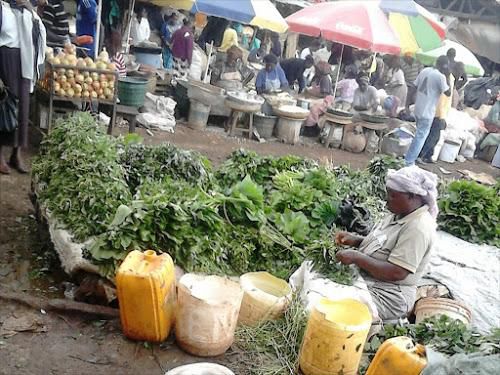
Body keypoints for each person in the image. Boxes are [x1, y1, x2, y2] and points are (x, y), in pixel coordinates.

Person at [336, 166, 438, 321]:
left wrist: (356, 257)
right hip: (369, 280)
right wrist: (355, 240)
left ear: (412, 196)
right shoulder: (398, 214)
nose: (386, 199)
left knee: (336, 304)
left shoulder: (418, 228)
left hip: (389, 294)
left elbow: (397, 272)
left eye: (393, 195)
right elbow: (383, 246)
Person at [0, 0, 46, 174]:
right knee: (5, 106)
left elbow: (38, 37)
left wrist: (31, 9)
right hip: (5, 59)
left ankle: (16, 154)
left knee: (23, 109)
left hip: (25, 62)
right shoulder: (2, 9)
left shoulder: (28, 11)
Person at [404, 55, 451, 166]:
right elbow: (448, 93)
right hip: (428, 112)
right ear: (444, 66)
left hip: (418, 109)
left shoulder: (425, 70)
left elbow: (413, 87)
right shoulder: (441, 77)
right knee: (421, 137)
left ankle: (408, 156)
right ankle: (409, 161)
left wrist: (407, 105)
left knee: (418, 135)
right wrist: (448, 75)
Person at [419, 70, 455, 163]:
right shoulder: (445, 79)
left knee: (434, 135)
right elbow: (442, 99)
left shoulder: (442, 77)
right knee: (433, 136)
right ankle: (421, 155)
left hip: (436, 111)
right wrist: (441, 116)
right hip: (437, 112)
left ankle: (428, 155)